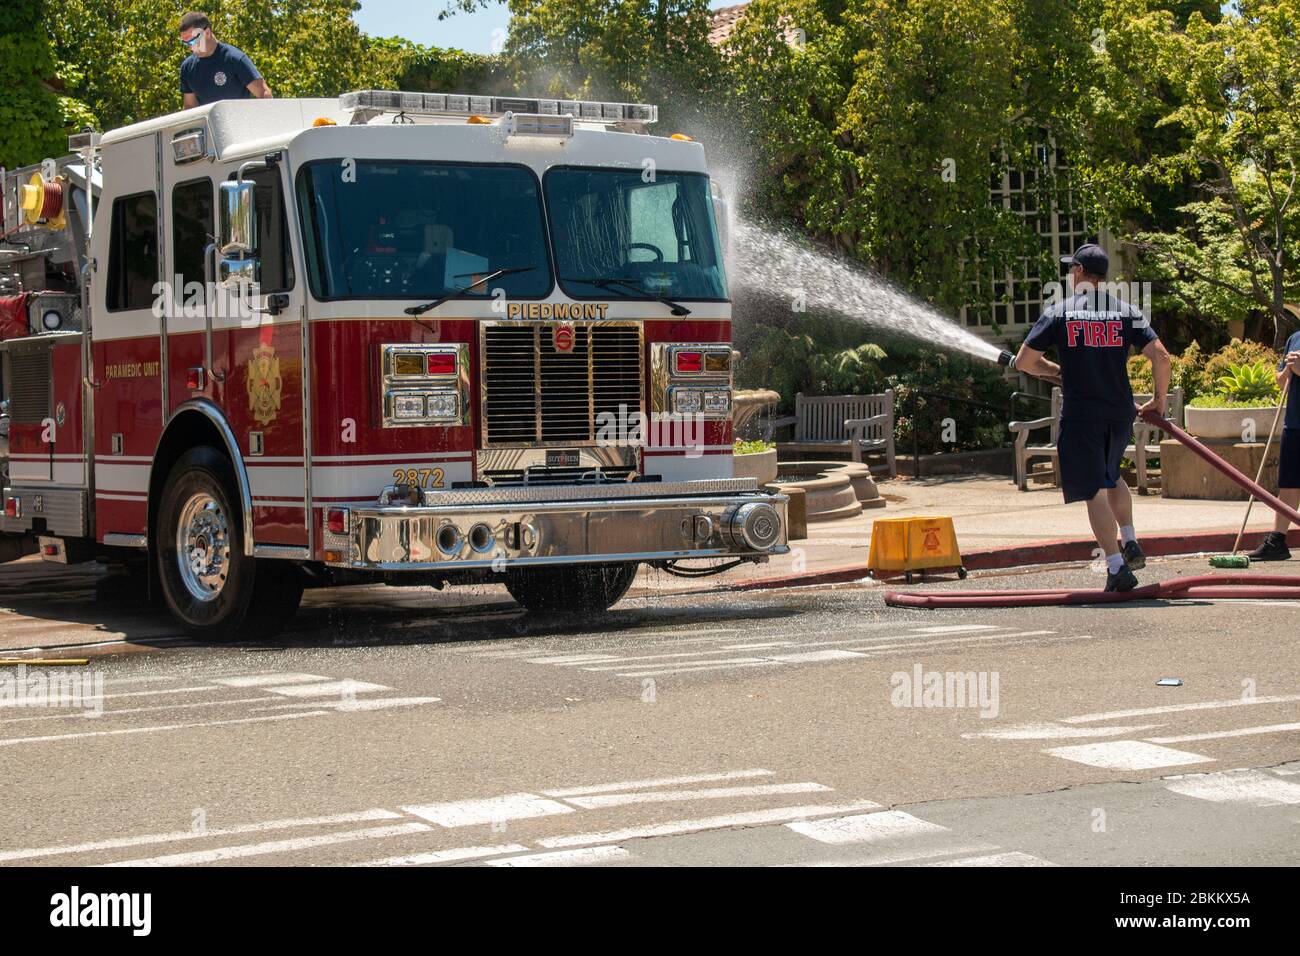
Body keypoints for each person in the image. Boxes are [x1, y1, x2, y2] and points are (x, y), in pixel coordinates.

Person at [1014, 243, 1172, 592]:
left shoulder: (1059, 312)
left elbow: (1025, 362)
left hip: (1082, 414)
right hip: (1119, 413)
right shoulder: (1126, 312)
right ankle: (1129, 540)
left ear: (1081, 273)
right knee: (1112, 476)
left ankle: (1116, 567)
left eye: (1073, 270)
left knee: (1094, 491)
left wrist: (1055, 371)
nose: (1071, 275)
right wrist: (1159, 403)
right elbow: (1161, 357)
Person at [1248, 330, 1300, 560]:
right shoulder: (1295, 338)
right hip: (1294, 423)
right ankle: (1277, 540)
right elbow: (1282, 385)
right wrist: (1289, 369)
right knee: (1288, 483)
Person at [178, 12, 271, 108]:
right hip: (207, 123)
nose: (190, 47)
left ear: (207, 33)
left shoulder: (234, 59)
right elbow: (190, 106)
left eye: (193, 41)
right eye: (186, 43)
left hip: (237, 121)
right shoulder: (187, 68)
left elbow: (264, 93)